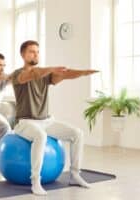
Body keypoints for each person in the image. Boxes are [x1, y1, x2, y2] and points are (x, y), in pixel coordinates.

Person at [11, 40, 99, 195]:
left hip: (45, 121)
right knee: (40, 135)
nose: (36, 54)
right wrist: (51, 69)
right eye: (32, 51)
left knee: (77, 133)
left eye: (37, 51)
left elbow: (64, 74)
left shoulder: (44, 76)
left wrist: (83, 72)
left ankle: (74, 174)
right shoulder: (18, 75)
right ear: (23, 55)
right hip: (24, 122)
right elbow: (32, 73)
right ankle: (35, 181)